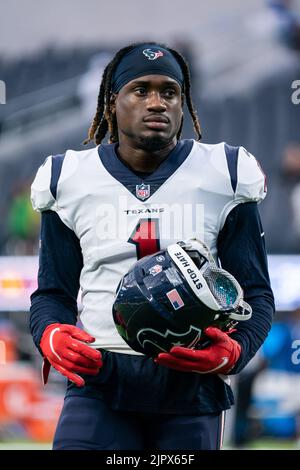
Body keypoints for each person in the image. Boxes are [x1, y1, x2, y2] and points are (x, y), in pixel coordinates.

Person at [30, 42, 275, 450]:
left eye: (169, 92)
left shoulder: (224, 173)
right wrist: (50, 333)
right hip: (100, 378)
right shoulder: (68, 177)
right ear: (113, 103)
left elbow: (257, 293)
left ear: (184, 105)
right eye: (140, 90)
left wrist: (235, 350)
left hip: (189, 386)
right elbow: (52, 293)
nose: (157, 103)